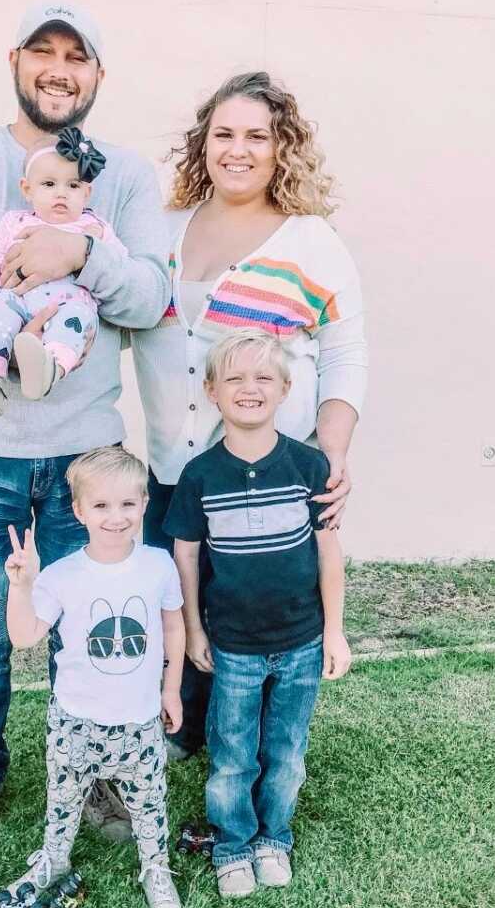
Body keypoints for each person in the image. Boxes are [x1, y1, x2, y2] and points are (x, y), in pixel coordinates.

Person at [0, 0, 170, 861]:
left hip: (84, 456)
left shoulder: (122, 178)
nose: (60, 70)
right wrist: (2, 345)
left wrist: (78, 257)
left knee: (83, 632)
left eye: (78, 57)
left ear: (98, 76)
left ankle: (90, 777)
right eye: (44, 53)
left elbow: (147, 298)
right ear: (16, 60)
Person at [131, 70, 367, 760]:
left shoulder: (310, 240)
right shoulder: (162, 231)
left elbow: (346, 353)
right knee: (179, 593)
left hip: (266, 467)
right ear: (203, 144)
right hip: (174, 464)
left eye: (257, 136)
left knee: (252, 599)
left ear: (281, 147)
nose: (239, 149)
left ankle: (258, 740)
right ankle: (182, 723)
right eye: (224, 133)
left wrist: (330, 454)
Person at [164, 330, 352, 898]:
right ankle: (232, 844)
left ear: (286, 388)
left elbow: (328, 550)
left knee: (286, 752)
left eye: (263, 377)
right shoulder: (199, 475)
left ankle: (274, 838)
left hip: (301, 640)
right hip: (233, 645)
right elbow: (187, 555)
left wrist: (335, 633)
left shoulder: (309, 464)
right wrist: (195, 628)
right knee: (232, 756)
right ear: (212, 391)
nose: (250, 389)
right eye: (235, 379)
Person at [0, 446, 185, 908]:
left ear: (143, 504)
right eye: (101, 505)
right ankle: (53, 860)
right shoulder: (61, 576)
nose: (115, 517)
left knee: (149, 802)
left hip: (139, 722)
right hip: (75, 721)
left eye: (127, 504)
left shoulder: (158, 564)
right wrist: (21, 587)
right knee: (62, 801)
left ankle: (155, 867)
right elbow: (24, 637)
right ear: (79, 510)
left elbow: (173, 627)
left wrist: (171, 688)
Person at [0, 127, 125, 413]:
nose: (61, 194)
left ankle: (50, 369)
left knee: (76, 320)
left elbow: (120, 267)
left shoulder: (94, 229)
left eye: (72, 186)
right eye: (49, 184)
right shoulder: (13, 224)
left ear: (87, 193)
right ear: (27, 189)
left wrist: (94, 247)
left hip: (69, 305)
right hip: (18, 302)